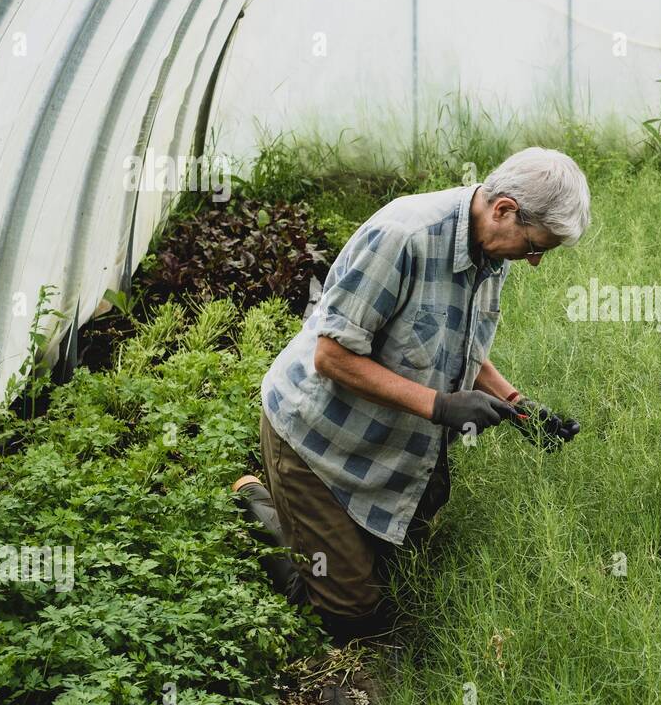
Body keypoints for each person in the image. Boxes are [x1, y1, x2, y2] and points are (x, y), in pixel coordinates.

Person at [232, 147, 588, 646]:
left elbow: (454, 342)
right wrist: (441, 406)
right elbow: (331, 357)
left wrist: (520, 406)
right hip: (317, 437)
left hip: (384, 441)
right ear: (505, 209)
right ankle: (256, 500)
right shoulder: (404, 236)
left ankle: (326, 534)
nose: (533, 261)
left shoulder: (489, 248)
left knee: (406, 574)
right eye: (535, 247)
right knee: (350, 616)